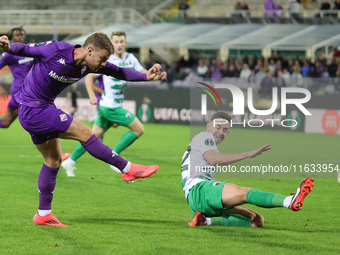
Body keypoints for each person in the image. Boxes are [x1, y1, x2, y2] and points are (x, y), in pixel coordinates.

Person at [0, 32, 167, 228]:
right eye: (103, 58)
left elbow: (119, 72)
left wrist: (146, 76)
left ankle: (43, 214)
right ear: (89, 50)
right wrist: (8, 47)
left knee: (53, 160)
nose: (104, 63)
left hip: (41, 108)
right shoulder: (55, 49)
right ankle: (127, 169)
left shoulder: (88, 65)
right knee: (85, 132)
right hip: (33, 108)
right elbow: (26, 49)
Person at [182, 111, 314, 227]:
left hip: (199, 200)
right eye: (218, 127)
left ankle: (205, 221)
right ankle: (288, 201)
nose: (221, 132)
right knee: (245, 192)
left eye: (225, 130)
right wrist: (248, 155)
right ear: (208, 126)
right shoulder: (204, 137)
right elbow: (214, 159)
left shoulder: (203, 143)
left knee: (257, 220)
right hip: (200, 191)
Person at [62, 30, 153, 177]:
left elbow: (144, 73)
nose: (118, 44)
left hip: (108, 105)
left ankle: (70, 161)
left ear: (125, 43)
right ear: (111, 44)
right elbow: (89, 77)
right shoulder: (106, 60)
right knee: (139, 129)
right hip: (111, 107)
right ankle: (115, 158)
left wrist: (154, 74)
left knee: (92, 137)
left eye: (121, 41)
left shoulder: (131, 58)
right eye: (115, 42)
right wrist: (92, 96)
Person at [0, 27, 34, 129]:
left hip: (32, 91)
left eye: (22, 35)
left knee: (5, 123)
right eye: (17, 35)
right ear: (12, 38)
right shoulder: (8, 54)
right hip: (19, 91)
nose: (20, 37)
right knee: (6, 122)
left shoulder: (30, 49)